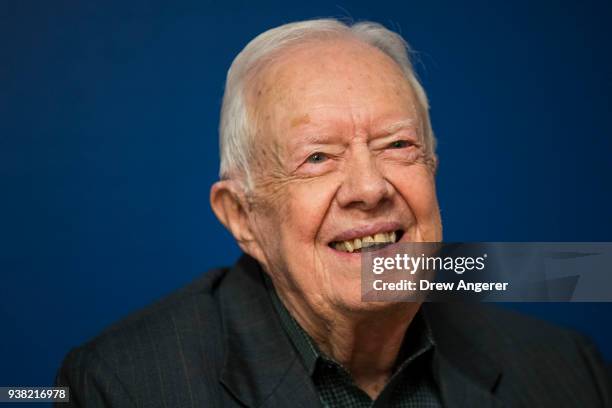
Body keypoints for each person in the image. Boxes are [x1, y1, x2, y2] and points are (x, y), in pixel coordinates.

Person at [56, 19, 611, 407]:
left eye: (398, 146)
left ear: (433, 168)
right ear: (242, 217)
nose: (369, 188)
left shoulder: (566, 367)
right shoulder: (118, 386)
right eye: (317, 157)